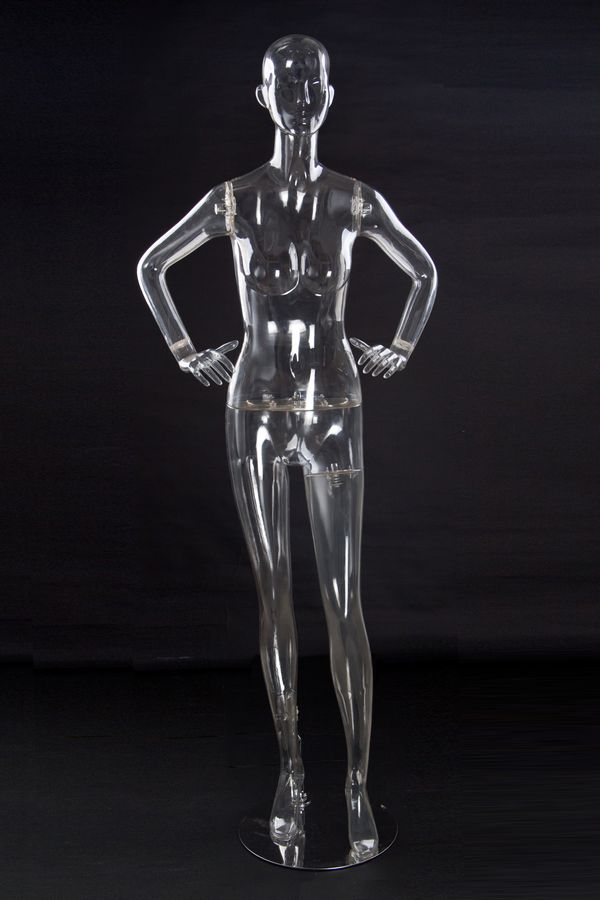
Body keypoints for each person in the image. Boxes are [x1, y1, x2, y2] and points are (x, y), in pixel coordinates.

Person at [137, 33, 437, 862]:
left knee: (343, 600)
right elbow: (154, 264)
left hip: (334, 406)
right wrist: (184, 349)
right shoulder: (236, 200)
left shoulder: (353, 200)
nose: (301, 98)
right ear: (263, 96)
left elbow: (423, 271)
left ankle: (356, 782)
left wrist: (400, 345)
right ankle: (292, 772)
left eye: (313, 84)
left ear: (329, 97)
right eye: (287, 84)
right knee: (274, 598)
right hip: (257, 410)